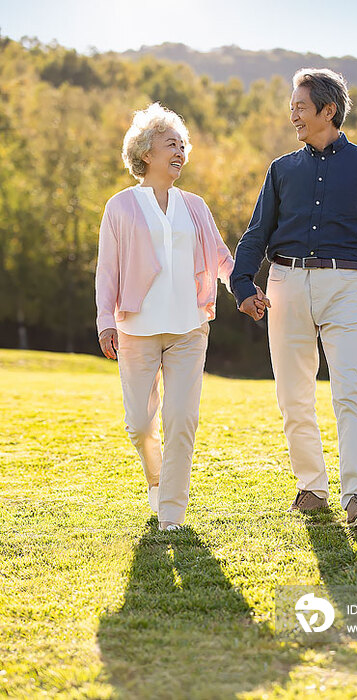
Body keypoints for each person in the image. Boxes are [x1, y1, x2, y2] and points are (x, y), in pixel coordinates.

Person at [230, 68, 357, 527]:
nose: (294, 117)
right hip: (285, 285)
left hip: (346, 288)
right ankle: (312, 487)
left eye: (300, 108)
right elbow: (256, 233)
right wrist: (243, 284)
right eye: (292, 108)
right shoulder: (282, 170)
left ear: (329, 110)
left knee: (351, 391)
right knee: (294, 395)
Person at [95, 102, 244, 531]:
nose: (179, 151)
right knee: (140, 424)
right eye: (169, 144)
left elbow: (220, 258)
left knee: (181, 419)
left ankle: (172, 514)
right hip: (135, 330)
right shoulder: (119, 207)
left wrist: (245, 289)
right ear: (145, 153)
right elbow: (108, 270)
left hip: (188, 328)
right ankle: (156, 478)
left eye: (182, 144)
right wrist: (106, 321)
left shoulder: (194, 205)